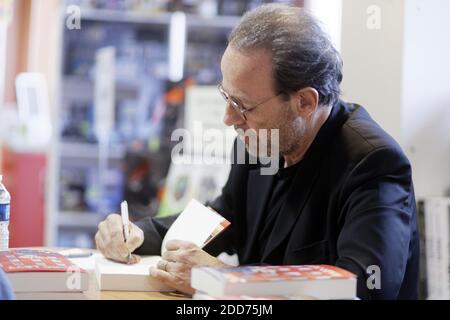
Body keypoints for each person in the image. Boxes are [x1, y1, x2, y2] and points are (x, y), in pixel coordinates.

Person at [95, 4, 419, 299]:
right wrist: (139, 232)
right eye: (227, 97)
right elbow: (224, 217)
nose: (229, 119)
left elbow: (364, 290)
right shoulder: (261, 140)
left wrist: (224, 280)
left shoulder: (372, 164)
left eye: (243, 106)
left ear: (305, 102)